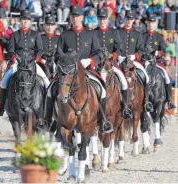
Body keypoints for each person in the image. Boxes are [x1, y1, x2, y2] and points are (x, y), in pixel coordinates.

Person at [44, 5, 113, 133]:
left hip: (86, 71)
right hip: (68, 72)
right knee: (50, 89)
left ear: (82, 17)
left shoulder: (91, 34)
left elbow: (99, 53)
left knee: (102, 90)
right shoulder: (64, 35)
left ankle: (102, 120)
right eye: (73, 16)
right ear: (70, 18)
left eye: (77, 16)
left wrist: (90, 61)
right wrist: (65, 63)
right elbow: (58, 55)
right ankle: (48, 119)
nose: (75, 19)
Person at [0, 9, 50, 120]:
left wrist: (35, 59)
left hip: (32, 63)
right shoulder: (14, 35)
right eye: (23, 20)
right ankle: (1, 108)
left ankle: (47, 110)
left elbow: (41, 50)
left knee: (47, 82)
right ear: (20, 21)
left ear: (30, 22)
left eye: (27, 20)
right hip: (18, 64)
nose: (25, 22)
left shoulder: (35, 34)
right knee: (3, 83)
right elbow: (10, 51)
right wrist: (15, 58)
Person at [94, 9, 132, 119]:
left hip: (111, 64)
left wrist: (113, 56)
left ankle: (124, 107)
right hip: (96, 64)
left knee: (124, 81)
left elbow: (119, 49)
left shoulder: (114, 32)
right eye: (100, 18)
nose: (102, 21)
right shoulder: (93, 33)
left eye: (104, 18)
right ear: (98, 19)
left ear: (107, 19)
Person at [117, 10, 153, 112]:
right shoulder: (118, 32)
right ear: (125, 19)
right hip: (120, 61)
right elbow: (115, 47)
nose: (129, 21)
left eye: (131, 19)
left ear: (133, 20)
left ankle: (146, 102)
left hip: (133, 61)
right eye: (127, 19)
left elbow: (141, 49)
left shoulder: (137, 34)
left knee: (145, 76)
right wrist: (118, 56)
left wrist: (134, 56)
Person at [142, 14, 176, 109]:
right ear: (147, 23)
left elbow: (164, 50)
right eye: (150, 22)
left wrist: (158, 53)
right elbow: (138, 49)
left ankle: (169, 100)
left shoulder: (159, 36)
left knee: (166, 76)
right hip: (144, 62)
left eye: (153, 22)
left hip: (155, 62)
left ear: (155, 23)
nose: (151, 24)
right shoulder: (142, 36)